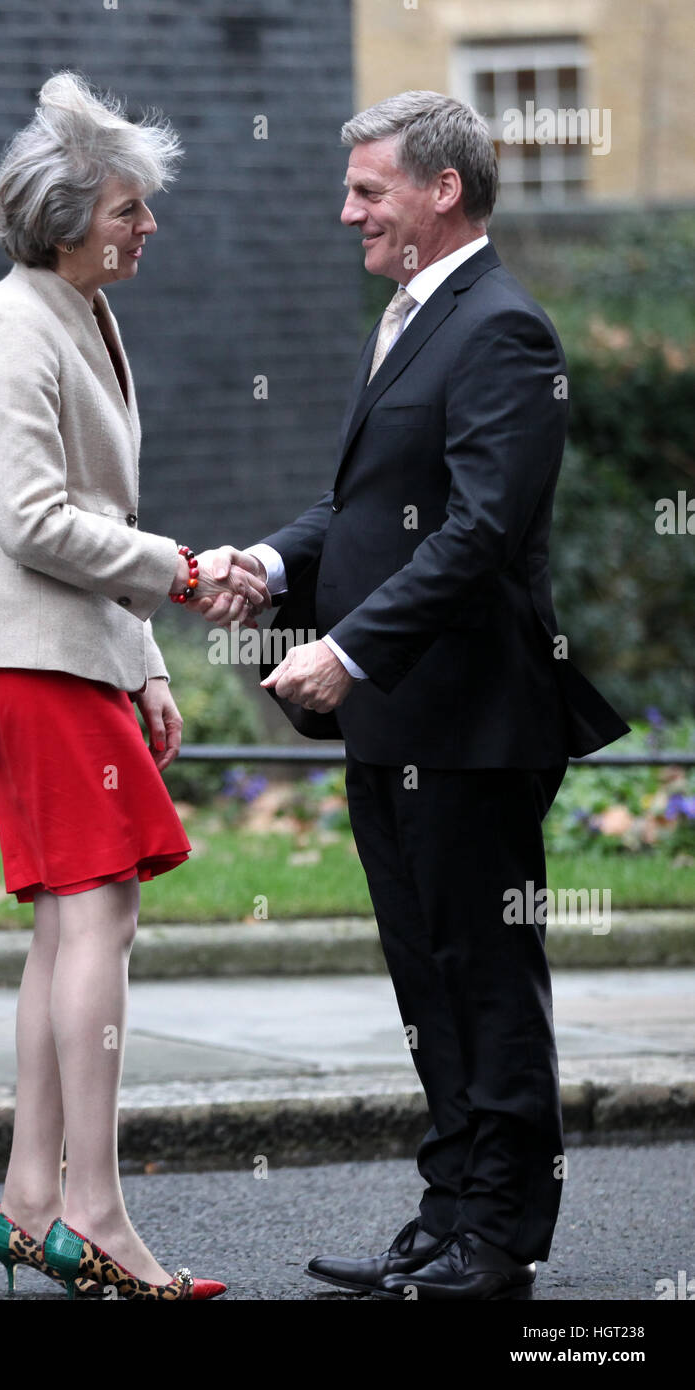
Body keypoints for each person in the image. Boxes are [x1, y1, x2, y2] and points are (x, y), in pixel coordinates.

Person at [197, 91, 630, 1301]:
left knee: (485, 981)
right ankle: (444, 1219)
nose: (346, 213)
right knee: (424, 978)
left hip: (472, 718)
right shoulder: (412, 316)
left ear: (443, 191)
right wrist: (271, 563)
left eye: (367, 190)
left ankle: (499, 1240)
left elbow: (481, 529)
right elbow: (370, 505)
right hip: (400, 720)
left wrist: (350, 650)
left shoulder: (501, 329)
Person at [0, 71, 268, 1301]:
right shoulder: (14, 327)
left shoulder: (69, 310)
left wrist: (143, 662)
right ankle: (95, 1212)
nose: (146, 228)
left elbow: (91, 515)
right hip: (30, 660)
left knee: (66, 922)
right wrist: (185, 573)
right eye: (129, 208)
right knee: (102, 918)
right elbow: (35, 523)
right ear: (65, 216)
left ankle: (31, 1201)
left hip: (59, 656)